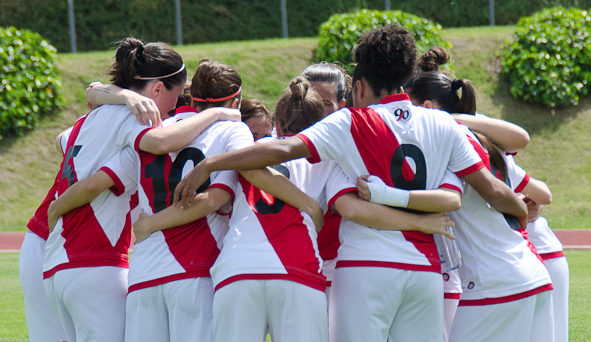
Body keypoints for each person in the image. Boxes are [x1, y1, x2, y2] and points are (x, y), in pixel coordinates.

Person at [173, 24, 527, 342]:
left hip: (366, 267)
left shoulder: (349, 122)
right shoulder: (444, 125)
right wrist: (520, 211)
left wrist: (213, 162)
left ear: (358, 87)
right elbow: (490, 190)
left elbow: (282, 149)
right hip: (425, 271)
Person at [41, 38, 240, 342]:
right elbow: (162, 144)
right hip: (99, 260)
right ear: (158, 89)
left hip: (63, 261)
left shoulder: (94, 117)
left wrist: (111, 95)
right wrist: (215, 114)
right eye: (176, 94)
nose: (176, 105)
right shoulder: (141, 123)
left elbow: (62, 141)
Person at [365, 49, 554, 342]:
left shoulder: (450, 139)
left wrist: (382, 194)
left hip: (496, 282)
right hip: (529, 272)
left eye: (408, 106)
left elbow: (454, 197)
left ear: (426, 107)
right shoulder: (477, 137)